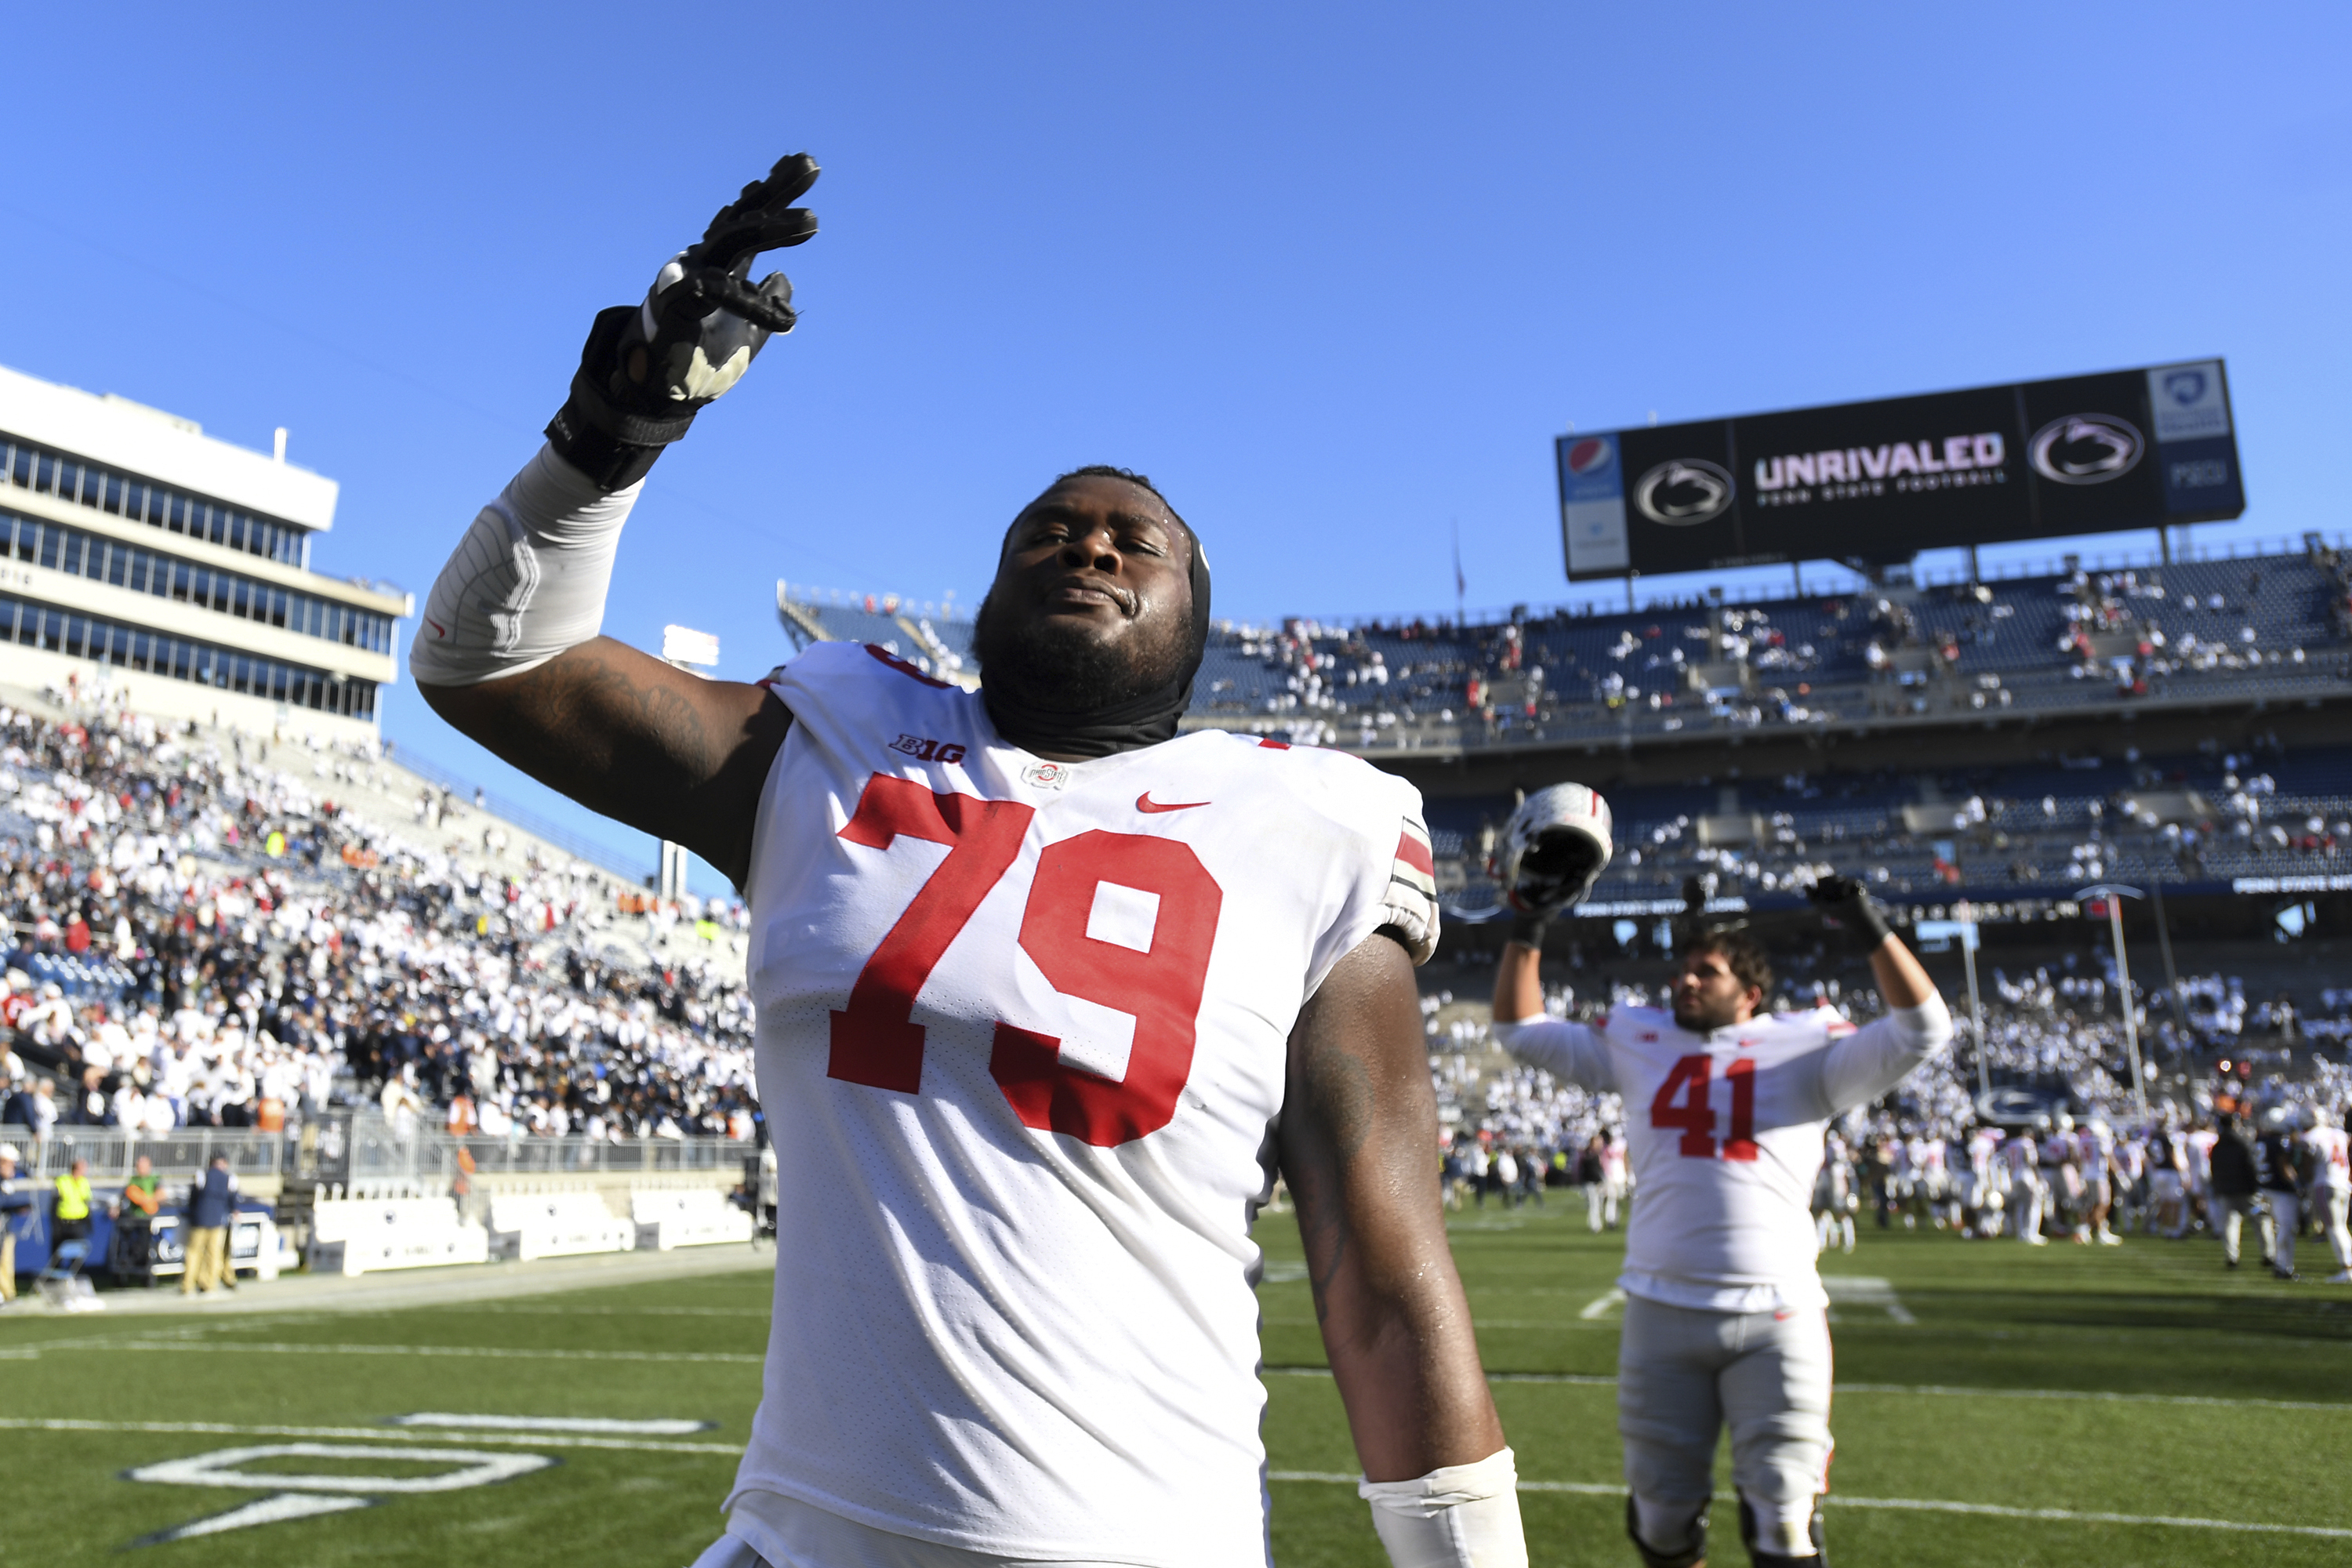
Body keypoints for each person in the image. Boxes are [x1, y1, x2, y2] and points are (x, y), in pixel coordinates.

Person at [407, 154, 1523, 1568]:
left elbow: (1378, 1271)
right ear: (987, 591)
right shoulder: (832, 742)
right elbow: (486, 664)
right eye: (1049, 530)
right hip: (796, 1543)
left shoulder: (1312, 822)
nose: (1090, 544)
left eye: (1138, 540)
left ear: (1197, 622)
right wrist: (612, 429)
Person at [1490, 794, 1951, 1568]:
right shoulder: (1641, 1036)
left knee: (1783, 1522)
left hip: (1778, 1313)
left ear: (1753, 989)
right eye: (1684, 967)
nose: (1688, 980)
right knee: (1662, 1521)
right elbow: (1519, 1028)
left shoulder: (1808, 1045)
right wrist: (1529, 921)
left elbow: (1924, 1029)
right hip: (1660, 1307)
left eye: (1707, 970)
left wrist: (1870, 927)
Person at [2208, 1111, 2267, 1271]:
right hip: (2246, 1190)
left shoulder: (2217, 1147)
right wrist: (2255, 1186)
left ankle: (2231, 1256)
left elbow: (2214, 1169)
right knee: (2260, 1222)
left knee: (2230, 1224)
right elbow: (2251, 1167)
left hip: (2226, 1190)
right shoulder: (2243, 1143)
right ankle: (2268, 1254)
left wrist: (2218, 1187)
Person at [2303, 1105, 2352, 1284]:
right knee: (2342, 1227)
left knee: (2334, 1228)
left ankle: (2347, 1269)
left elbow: (2307, 1168)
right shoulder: (2340, 1134)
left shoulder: (2310, 1137)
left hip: (2325, 1184)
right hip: (2344, 1183)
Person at [2256, 1109, 2303, 1280]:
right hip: (2280, 1189)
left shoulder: (2261, 1139)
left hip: (2266, 1187)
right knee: (2287, 1229)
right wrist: (2297, 1185)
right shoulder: (2280, 1142)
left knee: (2280, 1228)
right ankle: (2283, 1267)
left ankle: (2281, 1265)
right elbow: (2285, 1168)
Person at [182, 1152, 238, 1295]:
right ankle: (209, 1283)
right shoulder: (229, 1178)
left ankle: (188, 1284)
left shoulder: (202, 1176)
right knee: (214, 1254)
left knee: (194, 1252)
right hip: (218, 1221)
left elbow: (193, 1198)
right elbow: (232, 1201)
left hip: (199, 1220)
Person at [0, 1142, 26, 1304]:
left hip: (5, 1228)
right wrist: (15, 1207)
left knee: (7, 1261)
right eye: (11, 1163)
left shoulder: (6, 1181)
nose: (13, 1167)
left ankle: (8, 1293)